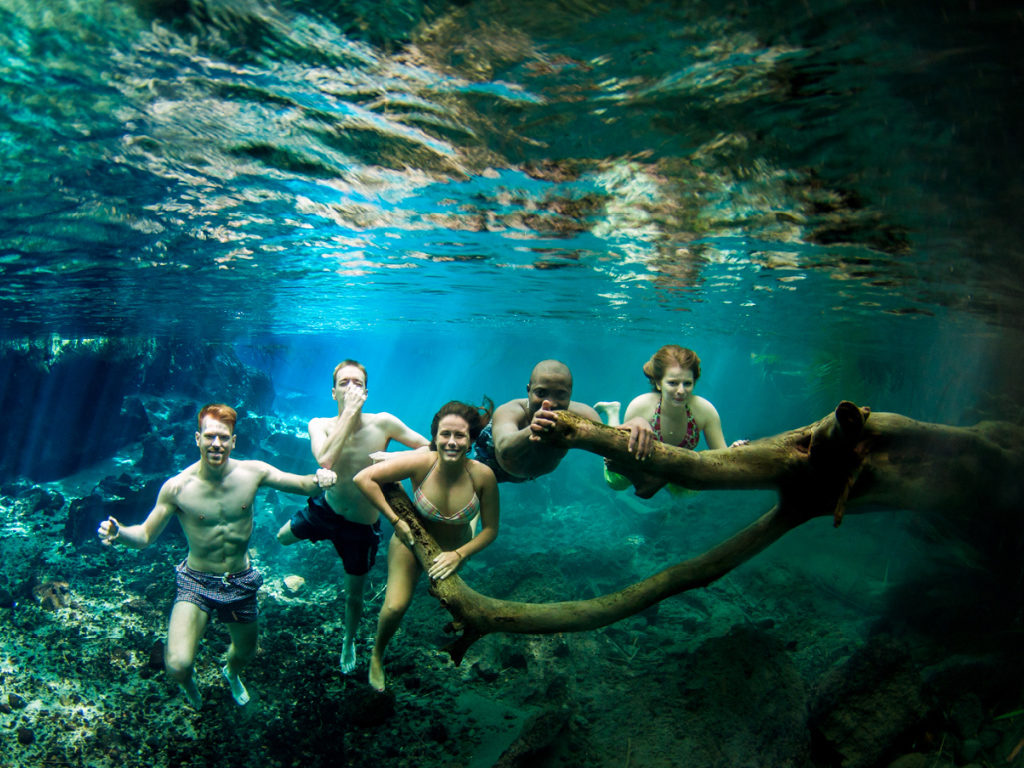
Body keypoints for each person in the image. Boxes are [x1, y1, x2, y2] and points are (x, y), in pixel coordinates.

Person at [97, 404, 337, 709]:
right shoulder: (176, 488)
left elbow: (303, 484)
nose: (216, 443)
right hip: (195, 580)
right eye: (209, 436)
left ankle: (231, 673)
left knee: (245, 652)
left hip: (239, 581)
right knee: (177, 665)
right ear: (197, 438)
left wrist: (323, 479)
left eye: (223, 437)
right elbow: (144, 536)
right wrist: (120, 534)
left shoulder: (253, 472)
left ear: (234, 441)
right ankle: (189, 684)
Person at [275, 360, 429, 674]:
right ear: (333, 392)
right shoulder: (319, 424)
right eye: (343, 383)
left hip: (361, 525)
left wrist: (394, 457)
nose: (350, 389)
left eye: (357, 383)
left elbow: (427, 446)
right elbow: (326, 459)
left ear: (367, 392)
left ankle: (348, 639)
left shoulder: (384, 422)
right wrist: (347, 414)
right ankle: (309, 555)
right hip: (327, 509)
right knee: (281, 538)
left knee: (354, 594)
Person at [353, 401, 499, 692]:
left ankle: (464, 528)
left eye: (460, 435)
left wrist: (459, 554)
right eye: (445, 434)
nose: (452, 442)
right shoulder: (424, 461)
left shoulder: (483, 476)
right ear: (435, 436)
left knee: (461, 612)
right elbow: (363, 478)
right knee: (395, 606)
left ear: (471, 440)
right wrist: (396, 520)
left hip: (453, 553)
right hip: (411, 542)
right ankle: (376, 657)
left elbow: (492, 531)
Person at [595, 345, 743, 491]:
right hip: (643, 463)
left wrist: (736, 451)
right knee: (616, 483)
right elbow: (623, 452)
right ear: (659, 383)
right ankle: (612, 412)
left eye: (687, 383)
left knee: (686, 490)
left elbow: (722, 457)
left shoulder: (705, 411)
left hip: (677, 468)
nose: (681, 391)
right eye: (673, 383)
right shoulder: (641, 406)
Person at [473, 359, 600, 482]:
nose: (550, 403)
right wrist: (532, 430)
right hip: (492, 463)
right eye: (541, 393)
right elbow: (504, 449)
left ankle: (610, 411)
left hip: (528, 475)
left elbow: (610, 438)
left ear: (570, 394)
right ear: (528, 391)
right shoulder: (511, 410)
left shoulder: (581, 413)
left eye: (560, 394)